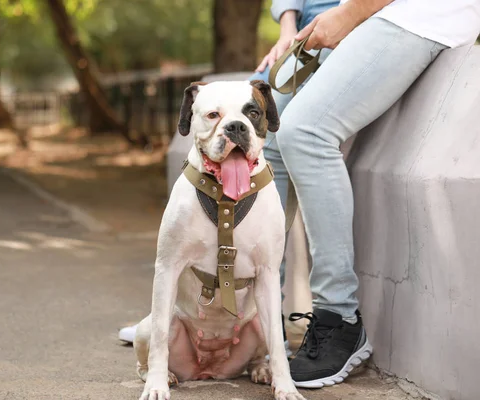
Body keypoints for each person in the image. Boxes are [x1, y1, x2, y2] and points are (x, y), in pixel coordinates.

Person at [266, 0, 480, 389]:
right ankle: (256, 312)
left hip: (421, 13)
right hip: (373, 13)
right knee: (266, 131)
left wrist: (348, 15)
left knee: (304, 132)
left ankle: (339, 317)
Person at [118, 0, 339, 357]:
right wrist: (287, 27)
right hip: (303, 36)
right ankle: (203, 323)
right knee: (275, 147)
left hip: (355, 26)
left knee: (298, 135)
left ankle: (335, 315)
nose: (233, 125)